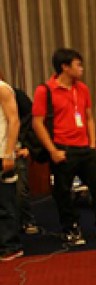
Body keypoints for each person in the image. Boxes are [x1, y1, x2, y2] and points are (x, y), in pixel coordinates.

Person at [32, 48, 96, 246]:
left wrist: (92, 144)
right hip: (62, 148)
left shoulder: (83, 89)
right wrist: (52, 150)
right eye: (78, 65)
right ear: (65, 67)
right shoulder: (45, 90)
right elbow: (37, 123)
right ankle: (71, 228)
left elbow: (89, 118)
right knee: (63, 192)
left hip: (85, 148)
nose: (82, 69)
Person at [0, 70, 23, 261]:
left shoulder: (2, 88)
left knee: (5, 202)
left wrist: (9, 153)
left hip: (2, 153)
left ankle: (10, 245)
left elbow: (14, 121)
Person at [12, 84, 39, 234]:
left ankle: (27, 220)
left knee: (21, 189)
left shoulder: (16, 95)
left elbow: (32, 120)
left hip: (16, 149)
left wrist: (28, 146)